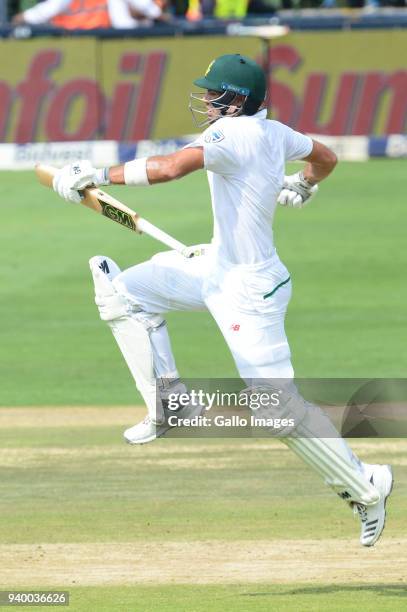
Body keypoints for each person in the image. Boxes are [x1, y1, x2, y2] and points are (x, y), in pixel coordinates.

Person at [52, 53, 393, 547]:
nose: (208, 99)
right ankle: (171, 405)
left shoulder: (233, 135)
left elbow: (169, 169)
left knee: (277, 410)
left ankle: (366, 486)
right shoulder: (275, 131)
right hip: (217, 267)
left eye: (216, 93)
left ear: (237, 101)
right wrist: (304, 183)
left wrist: (97, 173)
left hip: (250, 290)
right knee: (124, 293)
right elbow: (326, 157)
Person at [12, 0, 165, 29]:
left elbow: (123, 24)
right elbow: (51, 8)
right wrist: (24, 17)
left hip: (106, 37)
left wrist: (154, 13)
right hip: (74, 41)